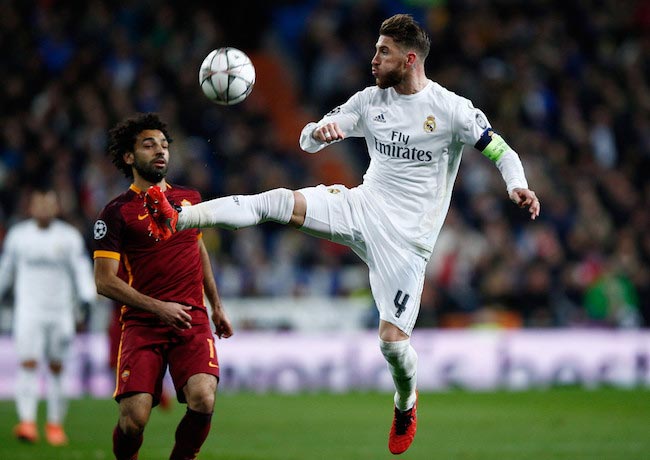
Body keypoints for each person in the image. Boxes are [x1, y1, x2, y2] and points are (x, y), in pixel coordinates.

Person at [145, 14, 540, 455]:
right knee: (277, 201)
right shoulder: (370, 102)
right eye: (375, 49)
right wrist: (320, 132)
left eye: (383, 52)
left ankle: (405, 402)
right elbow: (305, 140)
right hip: (361, 206)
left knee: (392, 347)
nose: (373, 59)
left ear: (410, 60)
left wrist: (516, 185)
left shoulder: (451, 109)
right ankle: (178, 218)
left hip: (407, 244)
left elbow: (501, 150)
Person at [93, 113, 233, 460]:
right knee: (134, 420)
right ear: (129, 157)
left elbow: (197, 248)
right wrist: (158, 307)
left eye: (165, 145)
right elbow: (104, 280)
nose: (160, 151)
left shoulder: (190, 198)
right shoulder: (115, 212)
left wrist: (216, 305)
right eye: (149, 144)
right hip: (143, 323)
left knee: (204, 397)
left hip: (191, 317)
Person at [0, 187, 96, 446]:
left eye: (49, 204)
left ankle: (54, 424)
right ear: (31, 207)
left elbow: (81, 269)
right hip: (29, 311)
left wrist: (86, 297)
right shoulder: (19, 237)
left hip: (60, 312)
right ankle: (27, 422)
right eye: (39, 204)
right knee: (28, 364)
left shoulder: (69, 237)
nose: (44, 209)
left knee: (56, 368)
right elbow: (6, 270)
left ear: (56, 207)